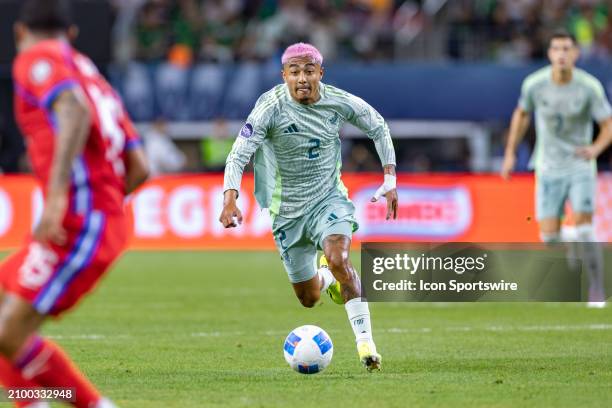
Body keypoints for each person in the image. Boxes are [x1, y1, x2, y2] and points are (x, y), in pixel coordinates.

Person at [0, 1, 149, 407]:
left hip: (79, 222)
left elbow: (73, 110)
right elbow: (140, 167)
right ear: (71, 35)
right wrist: (107, 207)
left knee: (8, 333)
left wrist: (60, 198)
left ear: (19, 32)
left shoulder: (37, 58)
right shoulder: (92, 75)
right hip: (97, 219)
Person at [219, 42, 398, 371]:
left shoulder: (338, 101)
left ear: (321, 74)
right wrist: (230, 195)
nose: (303, 78)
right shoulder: (269, 107)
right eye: (295, 72)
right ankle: (327, 279)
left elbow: (378, 125)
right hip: (287, 214)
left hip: (329, 199)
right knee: (309, 299)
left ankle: (366, 345)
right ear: (284, 75)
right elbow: (239, 152)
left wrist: (389, 175)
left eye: (309, 71)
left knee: (339, 258)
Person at [501, 30, 612, 307]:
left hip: (580, 165)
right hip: (547, 166)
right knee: (549, 237)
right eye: (556, 49)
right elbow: (522, 114)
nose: (561, 54)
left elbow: (608, 124)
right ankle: (572, 236)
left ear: (575, 54)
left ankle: (597, 288)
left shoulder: (589, 87)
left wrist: (596, 149)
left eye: (566, 49)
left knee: (587, 228)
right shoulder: (534, 84)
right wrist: (510, 153)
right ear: (550, 54)